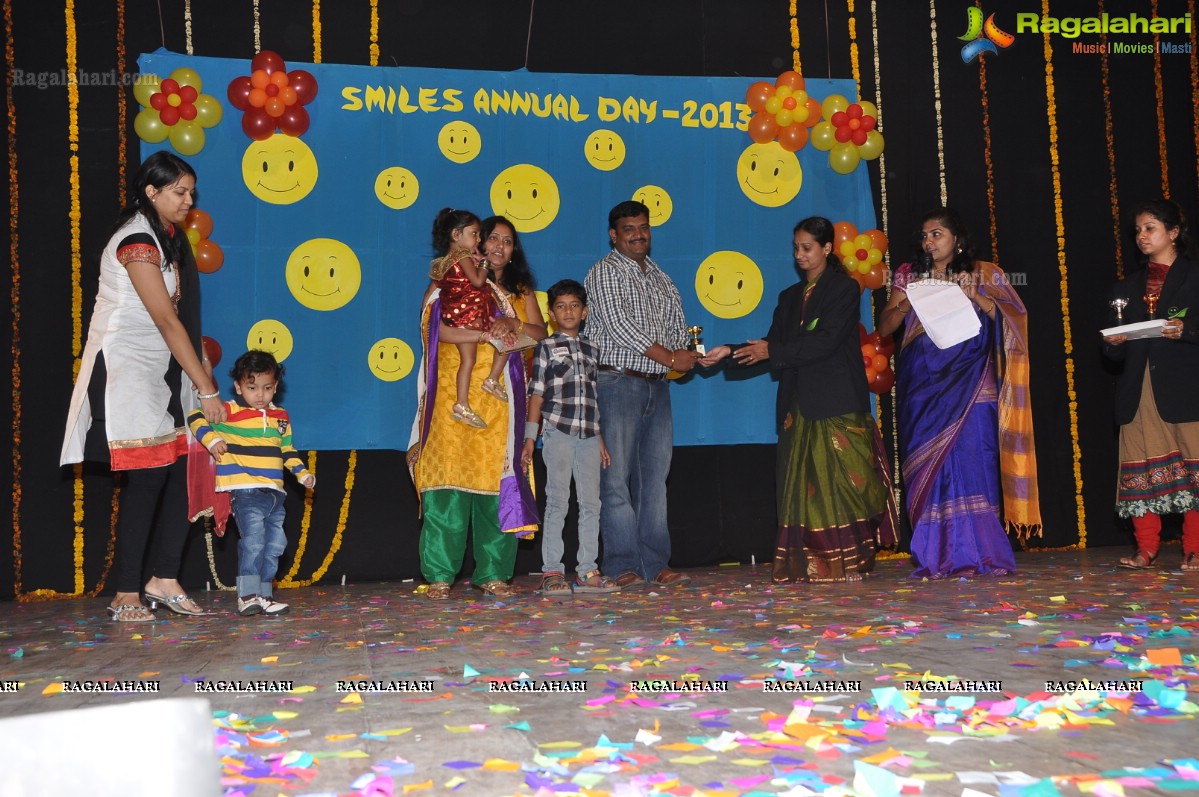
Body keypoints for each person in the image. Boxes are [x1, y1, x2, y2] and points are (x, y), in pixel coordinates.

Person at [60, 151, 226, 622]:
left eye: (191, 192)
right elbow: (166, 321)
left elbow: (183, 326)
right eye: (179, 192)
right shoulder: (136, 240)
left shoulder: (167, 238)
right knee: (149, 477)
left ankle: (165, 578)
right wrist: (207, 391)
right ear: (151, 192)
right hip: (123, 372)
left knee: (182, 471)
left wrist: (201, 378)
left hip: (159, 373)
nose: (188, 200)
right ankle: (127, 592)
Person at [703, 217, 897, 582]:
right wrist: (727, 351)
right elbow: (770, 343)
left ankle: (850, 562)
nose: (799, 255)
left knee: (845, 485)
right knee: (803, 492)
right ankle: (811, 565)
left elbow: (824, 340)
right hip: (799, 408)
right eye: (796, 248)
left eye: (807, 247)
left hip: (836, 402)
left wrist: (771, 350)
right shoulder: (789, 298)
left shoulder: (843, 289)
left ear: (826, 249)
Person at [878, 207, 1040, 578]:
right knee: (928, 467)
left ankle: (983, 553)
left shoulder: (984, 273)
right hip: (923, 386)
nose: (929, 241)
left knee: (974, 457)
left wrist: (977, 298)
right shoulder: (908, 275)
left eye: (937, 234)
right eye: (924, 235)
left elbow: (1014, 321)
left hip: (972, 381)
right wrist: (907, 301)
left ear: (958, 240)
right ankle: (936, 556)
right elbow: (886, 326)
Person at [408, 221, 542, 600]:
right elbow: (433, 334)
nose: (499, 246)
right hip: (451, 399)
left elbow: (540, 334)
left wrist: (512, 323)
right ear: (476, 242)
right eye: (492, 238)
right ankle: (438, 574)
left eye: (508, 241)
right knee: (446, 484)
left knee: (493, 486)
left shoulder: (516, 291)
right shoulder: (445, 282)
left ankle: (494, 573)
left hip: (499, 402)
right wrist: (485, 333)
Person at [583, 200, 701, 588]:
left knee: (655, 480)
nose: (638, 234)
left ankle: (655, 563)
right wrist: (670, 355)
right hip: (616, 382)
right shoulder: (603, 273)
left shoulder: (662, 278)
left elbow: (677, 328)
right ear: (613, 235)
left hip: (657, 386)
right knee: (614, 478)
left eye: (643, 227)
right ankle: (622, 566)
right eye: (629, 229)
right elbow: (620, 326)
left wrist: (690, 356)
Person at [1102, 199, 1199, 571]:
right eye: (1138, 230)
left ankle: (1193, 547)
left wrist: (1186, 330)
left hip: (1185, 388)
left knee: (1193, 469)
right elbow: (1110, 356)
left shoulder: (1194, 276)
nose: (1141, 236)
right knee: (1139, 468)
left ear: (1173, 233)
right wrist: (1112, 345)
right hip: (1137, 390)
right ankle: (1146, 548)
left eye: (1150, 228)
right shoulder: (1125, 287)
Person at [187, 350, 315, 616]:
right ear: (238, 386)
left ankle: (265, 595)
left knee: (275, 546)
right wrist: (212, 441)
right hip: (245, 491)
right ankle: (247, 595)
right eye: (252, 387)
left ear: (276, 387)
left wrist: (302, 474)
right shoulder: (230, 411)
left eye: (267, 388)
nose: (260, 394)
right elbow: (195, 417)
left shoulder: (281, 417)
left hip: (275, 494)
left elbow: (288, 450)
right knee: (254, 542)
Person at [523, 280, 617, 594]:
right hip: (557, 431)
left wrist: (600, 436)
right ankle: (552, 570)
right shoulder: (546, 347)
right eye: (561, 306)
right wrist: (529, 438)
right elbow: (536, 394)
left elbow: (592, 397)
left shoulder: (592, 348)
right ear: (551, 314)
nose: (568, 311)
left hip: (590, 435)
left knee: (592, 503)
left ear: (585, 311)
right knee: (557, 502)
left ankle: (587, 571)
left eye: (574, 305)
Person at [428, 208, 509, 428]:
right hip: (468, 316)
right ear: (456, 235)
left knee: (469, 361)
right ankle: (491, 380)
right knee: (506, 341)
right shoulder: (462, 256)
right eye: (474, 233)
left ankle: (462, 403)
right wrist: (483, 263)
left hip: (458, 316)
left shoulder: (443, 262)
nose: (478, 239)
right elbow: (477, 282)